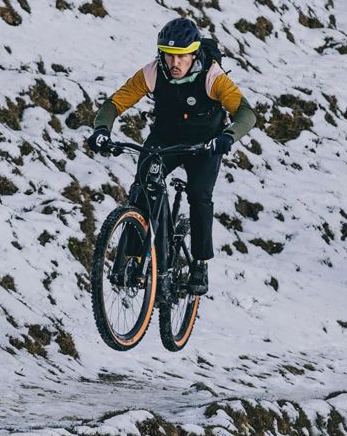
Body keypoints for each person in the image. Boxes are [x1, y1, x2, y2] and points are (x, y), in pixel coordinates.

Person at [85, 18, 256, 295]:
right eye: (168, 55)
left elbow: (247, 114)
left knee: (199, 194)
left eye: (181, 57)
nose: (174, 63)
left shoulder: (212, 77)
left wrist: (228, 136)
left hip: (205, 145)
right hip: (165, 140)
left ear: (194, 54)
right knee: (142, 187)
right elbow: (115, 103)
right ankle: (134, 259)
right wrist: (102, 129)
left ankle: (199, 263)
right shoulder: (153, 73)